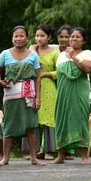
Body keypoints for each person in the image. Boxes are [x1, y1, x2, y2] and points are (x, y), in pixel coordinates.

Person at [0, 25, 45, 166]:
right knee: (9, 125)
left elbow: (38, 78)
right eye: (16, 36)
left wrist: (38, 98)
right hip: (10, 95)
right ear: (12, 38)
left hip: (28, 94)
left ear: (27, 38)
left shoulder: (33, 56)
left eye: (21, 35)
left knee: (30, 126)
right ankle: (5, 158)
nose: (19, 38)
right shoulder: (5, 54)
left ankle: (34, 157)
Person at [54, 27, 91, 165]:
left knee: (81, 119)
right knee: (61, 120)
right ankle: (61, 155)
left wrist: (73, 57)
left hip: (79, 93)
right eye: (72, 36)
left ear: (83, 41)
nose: (73, 39)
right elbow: (59, 75)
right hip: (63, 93)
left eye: (77, 37)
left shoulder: (87, 53)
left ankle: (84, 156)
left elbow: (87, 68)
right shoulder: (60, 56)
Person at [28, 24, 59, 160]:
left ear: (49, 37)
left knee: (48, 118)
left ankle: (49, 149)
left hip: (49, 87)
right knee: (35, 118)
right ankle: (35, 151)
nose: (39, 38)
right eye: (37, 35)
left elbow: (60, 71)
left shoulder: (55, 52)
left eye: (42, 36)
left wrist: (45, 74)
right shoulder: (32, 50)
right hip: (33, 86)